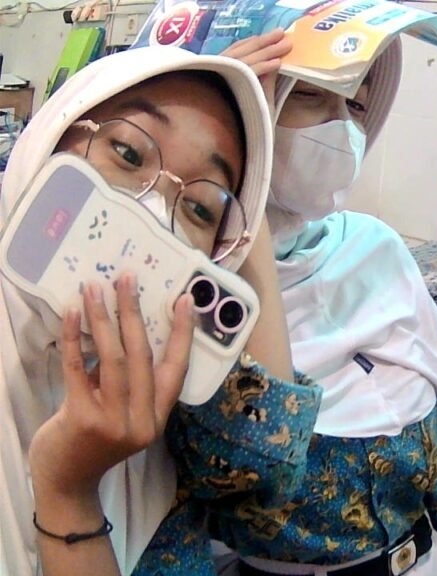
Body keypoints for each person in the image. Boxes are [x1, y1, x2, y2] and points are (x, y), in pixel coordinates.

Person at [0, 43, 322, 576]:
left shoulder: (158, 422)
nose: (150, 212)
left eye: (198, 208)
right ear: (52, 134)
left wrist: (70, 490)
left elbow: (268, 470)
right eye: (128, 154)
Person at [197, 34, 437, 576]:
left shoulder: (375, 248)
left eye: (356, 106)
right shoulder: (196, 292)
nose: (340, 129)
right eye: (311, 95)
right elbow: (242, 473)